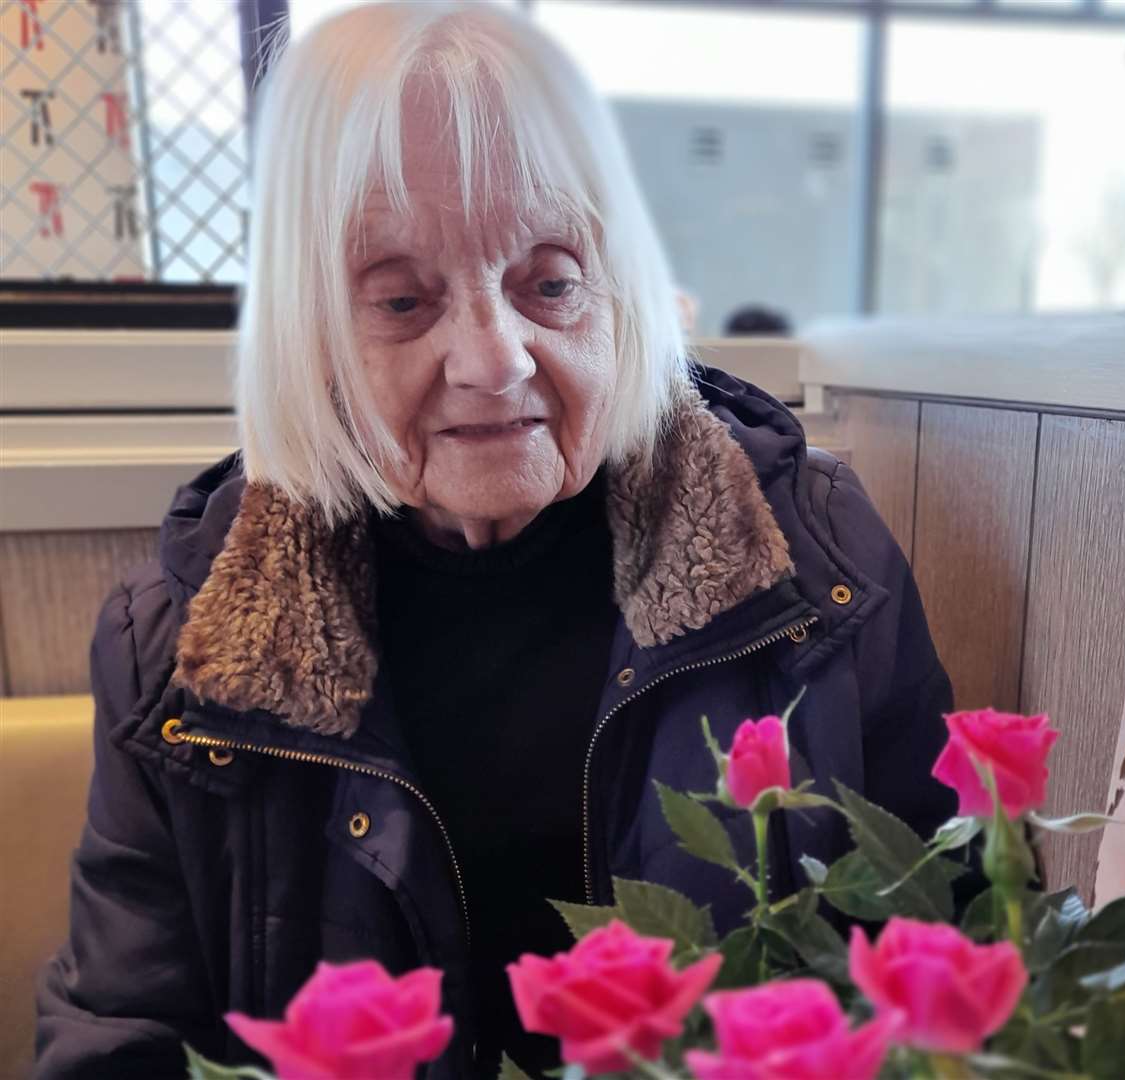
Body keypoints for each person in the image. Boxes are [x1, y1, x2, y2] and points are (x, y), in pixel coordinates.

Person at [35, 4, 957, 1077]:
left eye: (549, 282)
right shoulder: (180, 644)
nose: (493, 357)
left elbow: (947, 945)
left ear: (615, 292)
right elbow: (119, 1036)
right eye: (402, 299)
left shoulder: (812, 560)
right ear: (311, 331)